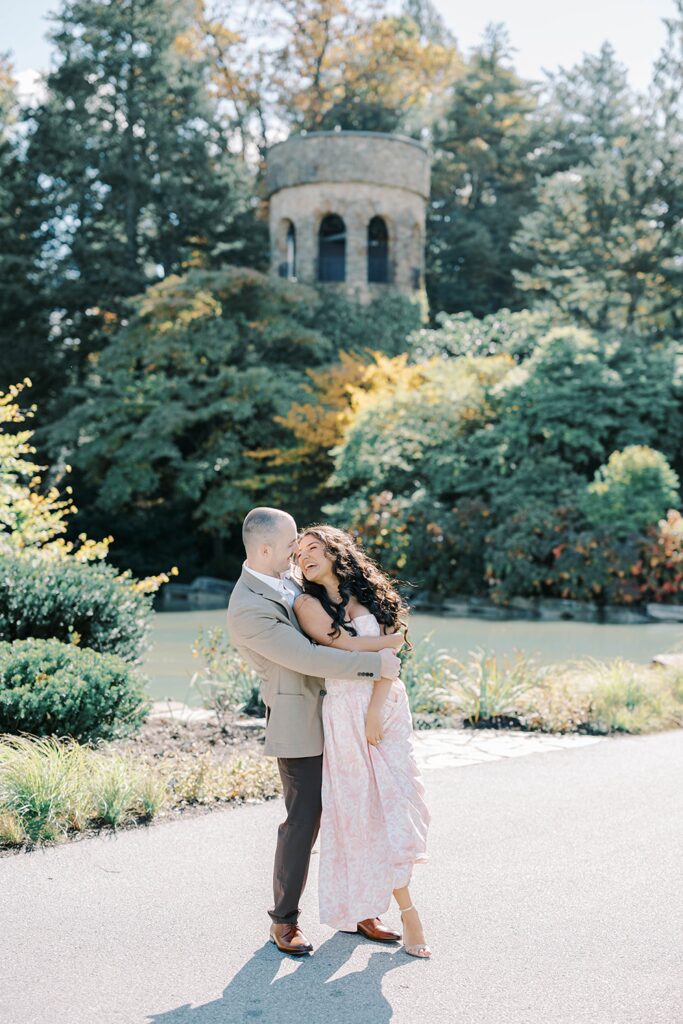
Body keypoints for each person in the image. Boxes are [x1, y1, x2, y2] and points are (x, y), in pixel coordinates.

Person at [226, 507, 402, 957]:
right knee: (303, 820)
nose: (296, 551)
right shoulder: (247, 607)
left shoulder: (289, 579)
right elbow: (307, 657)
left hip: (343, 712)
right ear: (265, 549)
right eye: (290, 545)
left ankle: (361, 909)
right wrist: (375, 663)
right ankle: (284, 921)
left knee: (358, 810)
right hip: (301, 719)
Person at [294, 524, 431, 958]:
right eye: (298, 554)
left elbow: (387, 661)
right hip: (342, 712)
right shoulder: (306, 604)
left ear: (336, 551)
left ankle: (402, 908)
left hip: (385, 706)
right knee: (356, 812)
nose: (305, 557)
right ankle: (372, 910)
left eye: (313, 548)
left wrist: (375, 707)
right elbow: (343, 648)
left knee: (397, 803)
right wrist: (388, 642)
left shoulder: (372, 593)